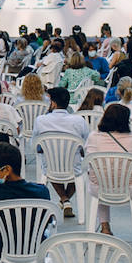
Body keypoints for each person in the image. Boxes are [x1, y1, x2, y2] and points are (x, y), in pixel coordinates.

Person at [83, 103, 132, 235]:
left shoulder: (94, 137)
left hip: (99, 187)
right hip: (130, 188)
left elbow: (88, 156)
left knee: (102, 177)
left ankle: (105, 226)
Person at [32, 86, 90, 216]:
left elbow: (35, 146)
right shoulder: (79, 121)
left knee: (51, 162)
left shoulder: (41, 120)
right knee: (80, 169)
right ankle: (65, 200)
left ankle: (64, 199)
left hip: (51, 165)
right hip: (74, 165)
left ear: (53, 103)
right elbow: (86, 146)